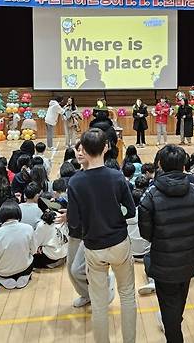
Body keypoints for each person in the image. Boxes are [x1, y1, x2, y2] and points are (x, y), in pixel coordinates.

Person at [138, 144, 194, 341]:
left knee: (168, 306)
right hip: (188, 262)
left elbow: (146, 233)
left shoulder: (150, 195)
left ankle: (174, 334)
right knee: (178, 303)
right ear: (184, 166)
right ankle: (173, 329)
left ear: (160, 165)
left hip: (163, 262)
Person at [67, 128, 137, 343]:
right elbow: (131, 211)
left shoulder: (75, 182)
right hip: (119, 243)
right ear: (106, 148)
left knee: (98, 304)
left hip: (93, 246)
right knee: (127, 296)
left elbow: (75, 224)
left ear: (84, 151)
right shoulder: (117, 176)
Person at [0, 200, 37, 289]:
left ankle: (4, 280)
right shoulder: (28, 228)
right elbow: (34, 250)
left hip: (4, 272)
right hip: (25, 268)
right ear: (19, 213)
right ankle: (25, 277)